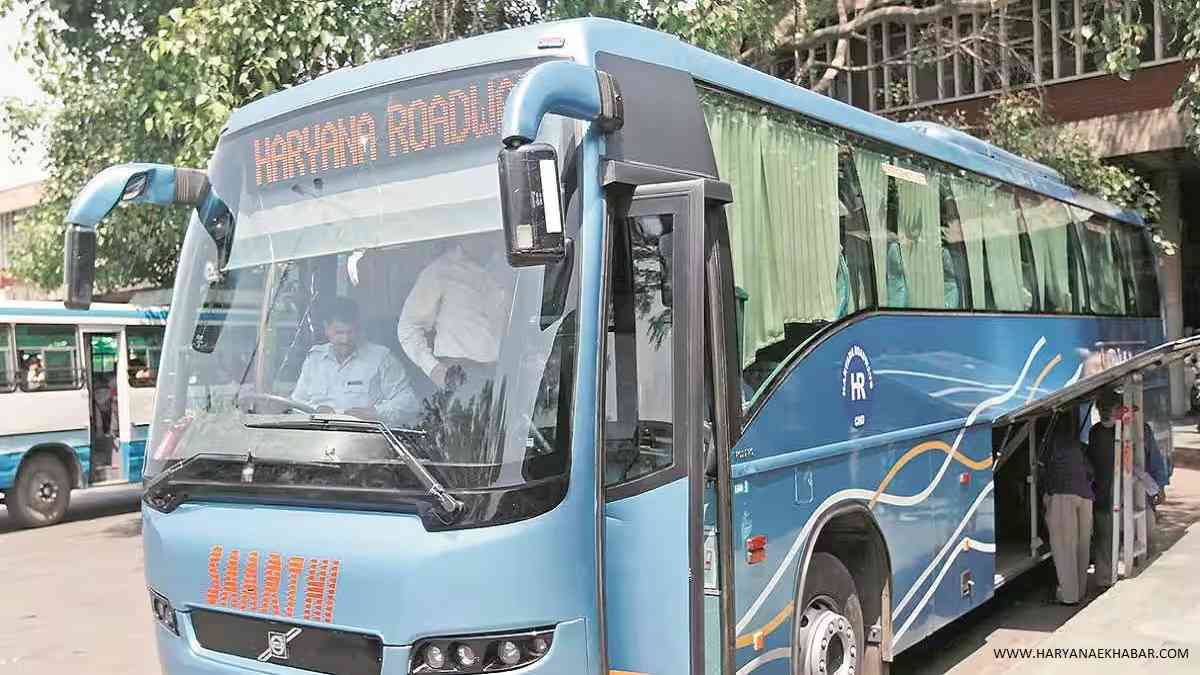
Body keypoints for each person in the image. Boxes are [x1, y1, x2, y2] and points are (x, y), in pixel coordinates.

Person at [396, 241, 512, 396]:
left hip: (504, 377)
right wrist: (433, 368)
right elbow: (408, 327)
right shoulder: (441, 270)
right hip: (460, 378)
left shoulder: (509, 266)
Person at [1087, 389, 1170, 587]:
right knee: (1105, 542)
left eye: (1108, 408)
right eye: (1101, 409)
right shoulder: (1096, 432)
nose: (1104, 412)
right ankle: (1105, 582)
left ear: (1120, 408)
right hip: (1106, 496)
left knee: (1144, 539)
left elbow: (1154, 459)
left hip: (1136, 495)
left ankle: (1145, 576)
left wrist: (1160, 486)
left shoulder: (1140, 429)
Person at [291, 296, 419, 424]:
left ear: (358, 328)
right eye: (339, 333)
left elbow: (409, 403)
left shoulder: (381, 358)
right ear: (326, 329)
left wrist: (375, 413)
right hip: (318, 432)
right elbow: (296, 403)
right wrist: (316, 410)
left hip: (364, 433)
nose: (345, 339)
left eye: (350, 332)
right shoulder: (314, 359)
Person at [1042, 409, 1094, 605]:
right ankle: (1080, 591)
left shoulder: (1049, 443)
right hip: (1085, 495)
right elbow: (1090, 470)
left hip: (1062, 495)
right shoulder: (1077, 445)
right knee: (1082, 546)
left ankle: (1069, 596)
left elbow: (1041, 469)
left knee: (1065, 547)